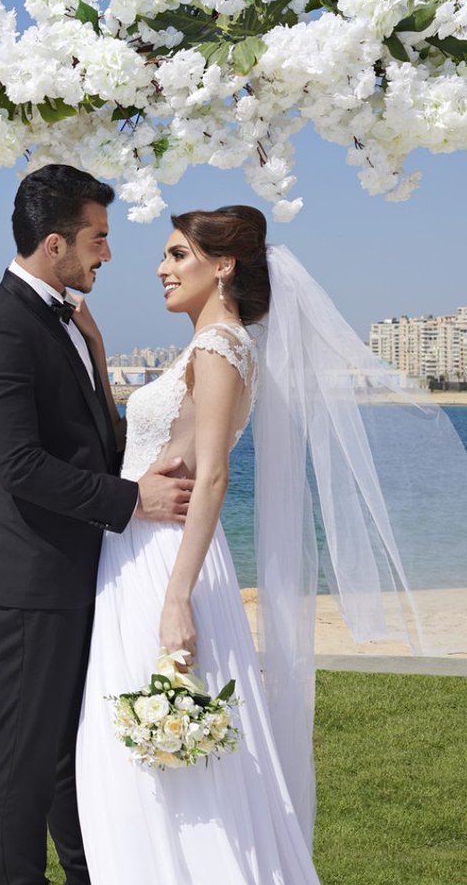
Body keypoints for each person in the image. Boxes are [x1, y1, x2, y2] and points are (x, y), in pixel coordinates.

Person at [74, 204, 467, 883]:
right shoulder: (205, 346)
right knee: (134, 754)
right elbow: (138, 448)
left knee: (160, 758)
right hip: (137, 549)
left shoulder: (220, 347)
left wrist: (177, 598)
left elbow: (213, 475)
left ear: (224, 265)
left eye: (177, 255)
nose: (161, 268)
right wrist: (100, 350)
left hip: (166, 560)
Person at [0, 164, 194, 885]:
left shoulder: (66, 322)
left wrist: (97, 353)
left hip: (80, 571)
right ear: (55, 243)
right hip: (33, 578)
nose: (109, 254)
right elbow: (20, 466)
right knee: (27, 759)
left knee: (71, 754)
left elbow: (89, 443)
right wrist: (133, 502)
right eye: (99, 238)